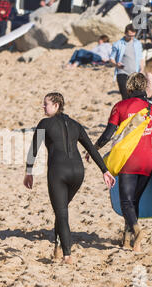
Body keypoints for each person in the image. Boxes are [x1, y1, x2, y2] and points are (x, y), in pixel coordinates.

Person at [23, 92, 115, 264]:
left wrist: (29, 172)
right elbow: (91, 148)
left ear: (56, 105)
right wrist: (105, 170)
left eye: (46, 104)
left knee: (62, 212)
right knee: (61, 208)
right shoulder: (75, 125)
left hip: (59, 172)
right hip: (78, 173)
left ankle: (67, 255)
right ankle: (58, 246)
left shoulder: (44, 123)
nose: (43, 107)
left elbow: (33, 150)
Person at [90, 73, 152, 252]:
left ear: (129, 88)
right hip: (148, 162)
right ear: (145, 87)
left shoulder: (120, 107)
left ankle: (137, 230)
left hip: (128, 160)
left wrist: (94, 148)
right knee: (134, 201)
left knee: (126, 201)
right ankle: (129, 241)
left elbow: (108, 134)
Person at [109, 24, 144, 100]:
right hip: (122, 73)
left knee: (137, 97)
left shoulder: (138, 43)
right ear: (125, 33)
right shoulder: (118, 44)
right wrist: (116, 64)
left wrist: (142, 69)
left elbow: (141, 57)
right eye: (129, 35)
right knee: (125, 96)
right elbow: (111, 58)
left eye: (133, 35)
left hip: (135, 74)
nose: (131, 37)